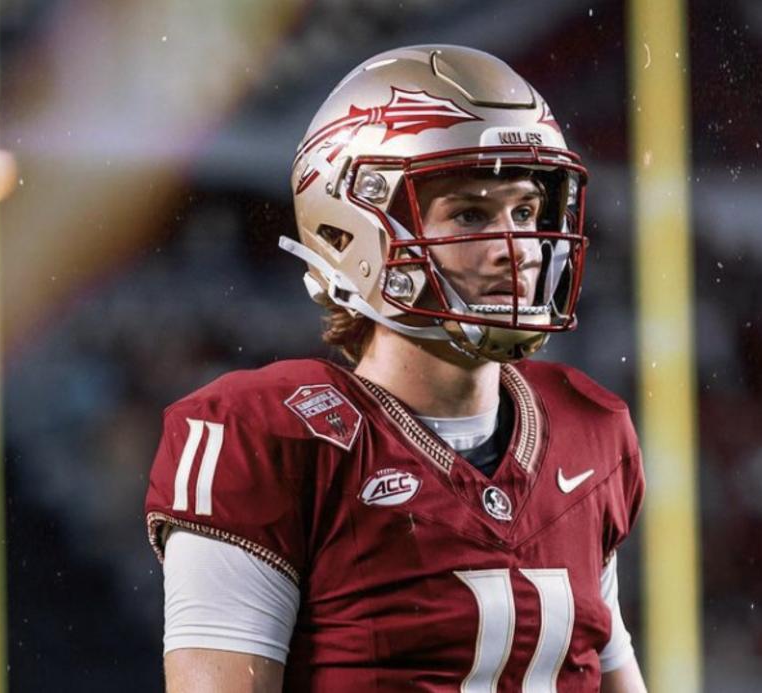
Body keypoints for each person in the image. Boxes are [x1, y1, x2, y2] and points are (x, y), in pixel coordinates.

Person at [145, 44, 647, 692]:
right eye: (470, 214)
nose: (517, 248)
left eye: (524, 212)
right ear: (349, 231)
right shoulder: (270, 440)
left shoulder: (588, 429)